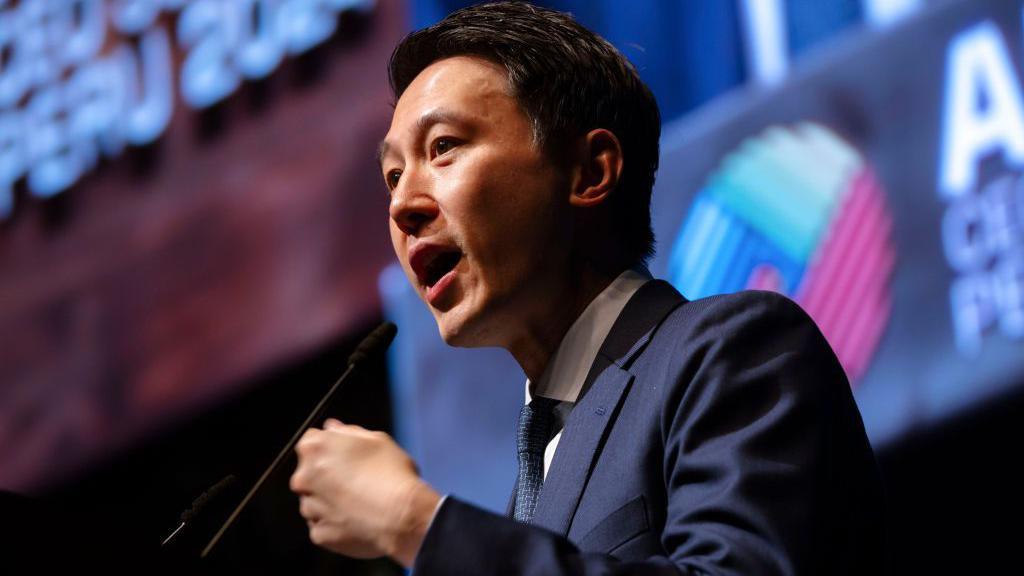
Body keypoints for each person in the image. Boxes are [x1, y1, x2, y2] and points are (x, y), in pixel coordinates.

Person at [288, 2, 886, 574]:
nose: (402, 207)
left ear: (590, 171)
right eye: (392, 177)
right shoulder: (524, 492)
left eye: (443, 148)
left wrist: (413, 523)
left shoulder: (736, 352)